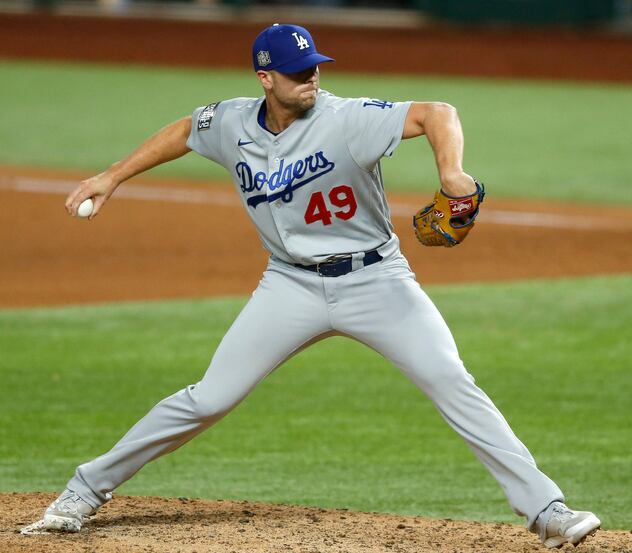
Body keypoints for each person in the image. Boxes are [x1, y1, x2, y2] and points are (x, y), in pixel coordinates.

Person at [21, 23, 600, 549]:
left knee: (451, 379)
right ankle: (84, 489)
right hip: (289, 287)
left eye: (316, 67)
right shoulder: (231, 123)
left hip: (377, 280)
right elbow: (184, 130)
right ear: (264, 78)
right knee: (209, 398)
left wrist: (450, 172)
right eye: (298, 72)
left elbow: (437, 112)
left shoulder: (347, 117)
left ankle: (546, 509)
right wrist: (111, 176)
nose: (312, 78)